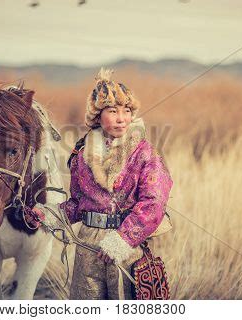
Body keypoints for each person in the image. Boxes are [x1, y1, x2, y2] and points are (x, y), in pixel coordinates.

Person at [30, 68, 173, 299]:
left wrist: (122, 240)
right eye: (112, 111)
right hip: (86, 243)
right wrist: (49, 216)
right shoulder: (81, 153)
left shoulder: (145, 153)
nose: (121, 118)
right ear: (97, 116)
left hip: (128, 245)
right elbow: (78, 204)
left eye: (127, 111)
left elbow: (154, 203)